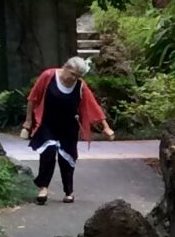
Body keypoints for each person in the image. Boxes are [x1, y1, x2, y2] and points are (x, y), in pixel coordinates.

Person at [23, 56, 113, 204]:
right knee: (48, 153)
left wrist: (106, 127)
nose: (74, 79)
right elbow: (32, 98)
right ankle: (43, 188)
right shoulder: (48, 76)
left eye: (78, 76)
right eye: (73, 74)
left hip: (68, 126)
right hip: (48, 124)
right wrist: (28, 121)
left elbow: (92, 105)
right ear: (65, 67)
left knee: (68, 159)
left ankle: (69, 191)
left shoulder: (80, 85)